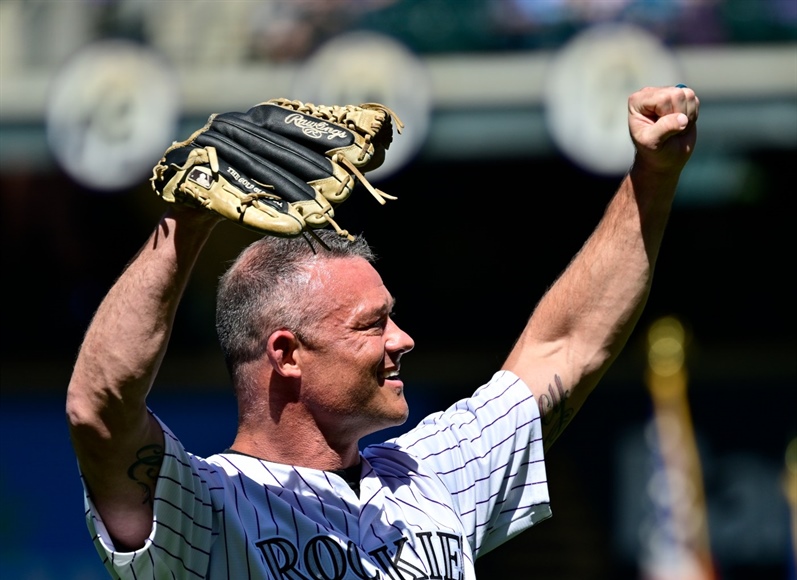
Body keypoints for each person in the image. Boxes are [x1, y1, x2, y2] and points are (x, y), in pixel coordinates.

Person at [66, 85, 699, 578]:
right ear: (286, 354)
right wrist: (187, 221)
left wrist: (653, 177)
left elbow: (567, 345)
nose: (403, 339)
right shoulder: (206, 510)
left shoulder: (430, 474)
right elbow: (98, 408)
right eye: (372, 324)